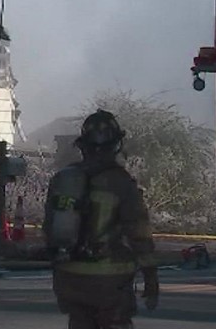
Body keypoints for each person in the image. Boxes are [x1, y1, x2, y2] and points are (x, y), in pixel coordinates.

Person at [49, 110, 159, 329]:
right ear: (116, 145)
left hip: (70, 279)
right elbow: (139, 233)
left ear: (83, 146)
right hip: (110, 281)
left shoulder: (63, 179)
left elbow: (49, 230)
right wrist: (150, 275)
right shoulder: (121, 183)